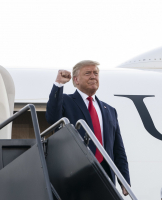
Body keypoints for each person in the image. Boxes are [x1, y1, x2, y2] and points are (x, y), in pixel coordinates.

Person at [46, 60, 130, 196]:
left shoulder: (110, 110)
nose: (93, 76)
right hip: (75, 173)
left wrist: (124, 180)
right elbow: (52, 117)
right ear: (76, 80)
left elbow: (118, 149)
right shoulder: (66, 101)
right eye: (88, 73)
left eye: (96, 73)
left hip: (105, 175)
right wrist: (59, 84)